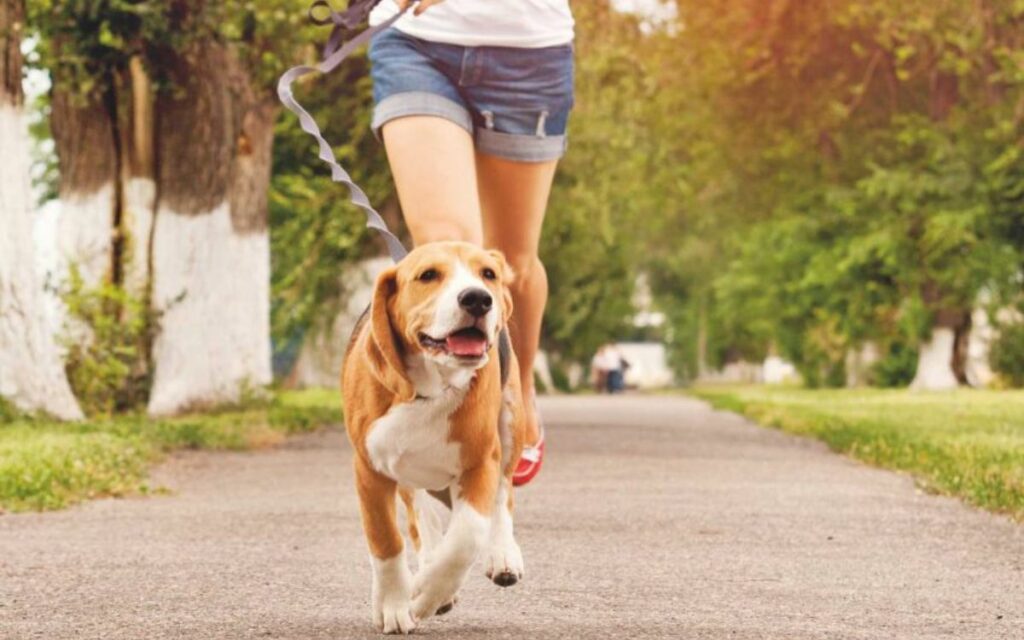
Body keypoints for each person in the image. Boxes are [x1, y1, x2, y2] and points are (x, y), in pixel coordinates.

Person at [367, 0, 575, 486]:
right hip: (414, 42)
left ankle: (516, 387)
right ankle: (453, 421)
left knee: (510, 265)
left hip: (528, 52)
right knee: (449, 250)